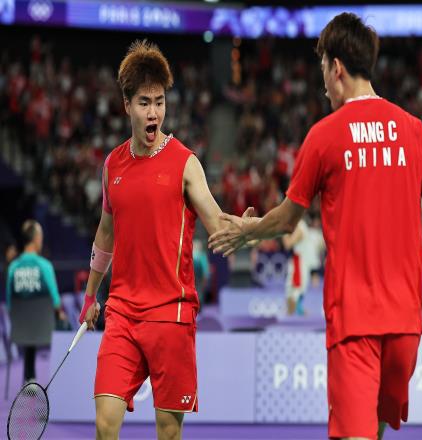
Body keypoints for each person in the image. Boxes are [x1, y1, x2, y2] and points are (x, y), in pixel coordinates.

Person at [209, 13, 422, 440]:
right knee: (374, 427)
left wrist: (247, 231)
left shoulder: (324, 136)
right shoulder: (415, 131)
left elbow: (287, 219)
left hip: (354, 321)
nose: (323, 84)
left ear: (336, 67)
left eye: (323, 69)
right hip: (406, 325)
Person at [78, 40, 248, 440]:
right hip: (122, 312)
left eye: (159, 102)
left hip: (171, 314)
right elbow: (106, 232)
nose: (153, 112)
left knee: (168, 432)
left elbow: (215, 219)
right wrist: (90, 294)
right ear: (126, 106)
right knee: (104, 423)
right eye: (144, 103)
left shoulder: (185, 163)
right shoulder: (113, 165)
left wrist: (244, 229)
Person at [6, 220, 65, 382]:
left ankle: (29, 377)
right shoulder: (45, 266)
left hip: (20, 330)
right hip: (44, 329)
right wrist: (60, 314)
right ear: (37, 238)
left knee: (29, 323)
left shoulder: (13, 268)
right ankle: (63, 378)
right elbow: (56, 302)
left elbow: (10, 304)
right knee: (63, 323)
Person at [282, 219, 311, 315]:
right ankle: (294, 312)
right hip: (299, 262)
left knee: (295, 290)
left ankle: (293, 313)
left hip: (299, 264)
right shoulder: (299, 225)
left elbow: (287, 244)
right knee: (292, 290)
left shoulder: (300, 227)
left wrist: (282, 228)